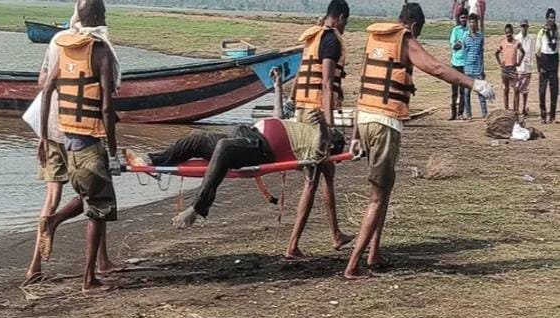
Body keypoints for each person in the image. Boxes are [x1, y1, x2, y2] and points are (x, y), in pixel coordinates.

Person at [344, 2, 495, 279]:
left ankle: (374, 253)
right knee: (377, 197)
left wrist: (354, 136)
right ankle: (352, 266)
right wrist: (474, 84)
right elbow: (436, 68)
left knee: (385, 189)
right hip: (384, 123)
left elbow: (364, 84)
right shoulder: (405, 39)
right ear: (413, 26)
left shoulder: (375, 38)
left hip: (364, 120)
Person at [126, 69, 347, 233]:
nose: (332, 131)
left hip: (260, 149)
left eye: (333, 135)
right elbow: (277, 116)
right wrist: (278, 87)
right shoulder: (306, 128)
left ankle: (197, 208)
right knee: (197, 139)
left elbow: (320, 151)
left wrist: (323, 127)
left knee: (224, 147)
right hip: (247, 134)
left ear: (331, 145)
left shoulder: (319, 146)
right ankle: (150, 160)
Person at [38, 0, 121, 292]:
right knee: (99, 211)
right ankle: (89, 279)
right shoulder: (101, 53)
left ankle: (54, 220)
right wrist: (113, 151)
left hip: (69, 142)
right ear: (98, 16)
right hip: (91, 143)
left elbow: (47, 90)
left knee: (89, 196)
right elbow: (107, 109)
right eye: (104, 12)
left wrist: (43, 138)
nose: (106, 16)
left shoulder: (65, 48)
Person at [23, 37, 116, 286]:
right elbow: (107, 101)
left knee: (53, 198)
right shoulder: (98, 46)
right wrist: (113, 147)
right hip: (80, 131)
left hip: (53, 127)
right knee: (96, 196)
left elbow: (43, 83)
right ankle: (98, 265)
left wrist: (42, 137)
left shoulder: (58, 42)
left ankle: (34, 267)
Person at [285, 0, 353, 259]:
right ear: (340, 18)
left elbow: (299, 77)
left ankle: (336, 234)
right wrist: (329, 125)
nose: (345, 27)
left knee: (327, 173)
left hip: (304, 110)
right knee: (312, 179)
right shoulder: (331, 41)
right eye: (345, 23)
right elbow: (326, 83)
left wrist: (291, 103)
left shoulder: (313, 37)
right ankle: (293, 245)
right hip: (316, 117)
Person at [463, 13, 488, 119]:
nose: (473, 24)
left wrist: (482, 69)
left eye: (474, 22)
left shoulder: (480, 37)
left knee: (481, 93)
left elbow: (481, 53)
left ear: (477, 24)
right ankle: (469, 114)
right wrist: (464, 68)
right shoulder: (465, 37)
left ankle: (485, 114)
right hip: (468, 69)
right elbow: (464, 52)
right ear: (469, 23)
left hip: (478, 69)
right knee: (466, 94)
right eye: (471, 22)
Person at [536, 8, 559, 124]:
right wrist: (539, 66)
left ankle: (552, 116)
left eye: (553, 17)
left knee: (554, 90)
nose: (552, 19)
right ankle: (543, 115)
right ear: (546, 18)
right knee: (542, 90)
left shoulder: (557, 32)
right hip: (544, 60)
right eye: (550, 17)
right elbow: (537, 50)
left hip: (554, 61)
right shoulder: (542, 32)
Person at [495, 24, 525, 112]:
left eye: (509, 32)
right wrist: (500, 63)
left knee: (516, 90)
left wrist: (519, 62)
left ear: (512, 32)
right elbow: (496, 53)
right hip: (505, 70)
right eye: (506, 33)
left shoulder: (516, 43)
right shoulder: (502, 43)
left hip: (513, 70)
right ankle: (506, 110)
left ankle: (516, 111)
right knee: (505, 90)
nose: (508, 34)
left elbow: (523, 52)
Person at [449, 9, 469, 120]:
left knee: (463, 91)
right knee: (454, 90)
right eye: (462, 17)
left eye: (465, 17)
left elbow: (467, 46)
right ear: (459, 18)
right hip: (455, 63)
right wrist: (461, 44)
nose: (463, 19)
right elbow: (454, 46)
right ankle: (453, 113)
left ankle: (460, 113)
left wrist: (460, 43)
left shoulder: (469, 31)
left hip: (465, 64)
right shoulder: (455, 30)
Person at [515, 19, 536, 116]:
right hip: (518, 68)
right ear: (520, 27)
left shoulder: (531, 39)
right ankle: (517, 110)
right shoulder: (516, 38)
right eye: (522, 26)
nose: (524, 28)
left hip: (527, 67)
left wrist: (531, 65)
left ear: (528, 27)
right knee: (517, 89)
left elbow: (531, 52)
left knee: (525, 90)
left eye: (525, 26)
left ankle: (523, 108)